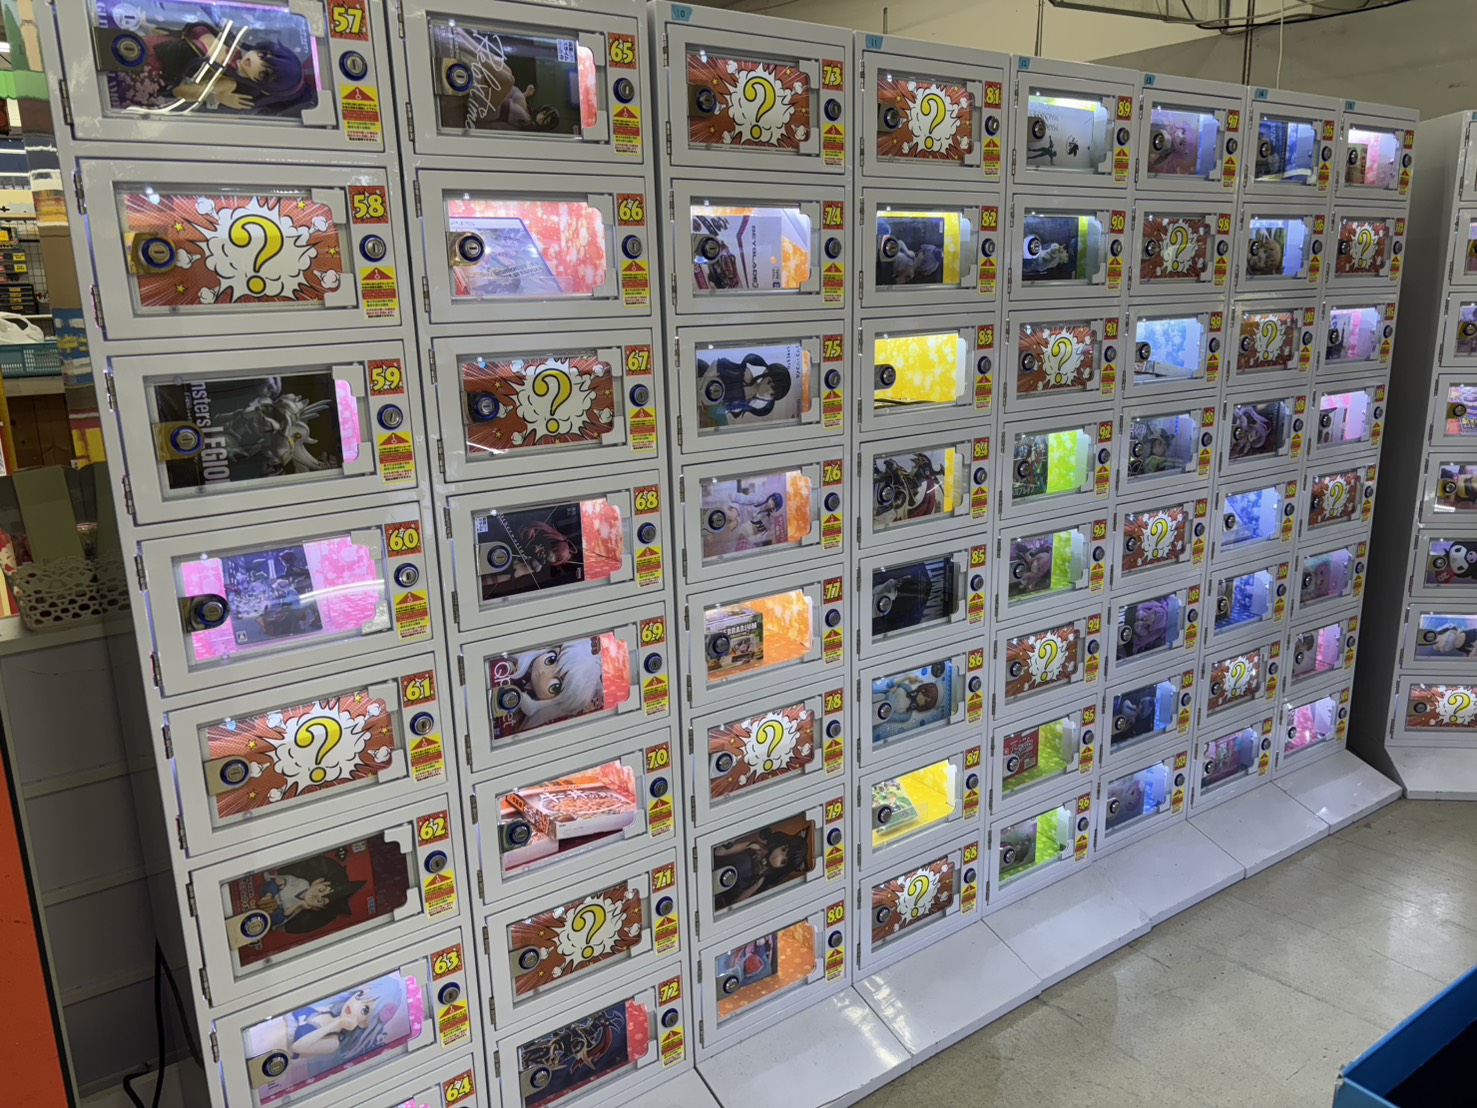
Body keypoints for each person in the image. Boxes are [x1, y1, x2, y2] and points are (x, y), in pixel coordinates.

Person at [119, 20, 311, 115]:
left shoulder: (228, 82)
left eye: (263, 73)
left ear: (264, 86)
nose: (255, 61)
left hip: (154, 69)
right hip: (156, 44)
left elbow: (180, 91)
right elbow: (195, 30)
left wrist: (216, 96)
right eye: (262, 55)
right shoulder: (233, 47)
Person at [493, 641, 605, 736]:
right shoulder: (515, 658)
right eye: (550, 660)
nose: (543, 672)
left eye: (555, 686)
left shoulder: (520, 719)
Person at [713, 827, 811, 910]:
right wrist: (727, 845)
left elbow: (737, 902)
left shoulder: (760, 879)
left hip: (718, 895)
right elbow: (720, 852)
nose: (778, 857)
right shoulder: (754, 847)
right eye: (783, 849)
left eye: (783, 861)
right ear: (780, 843)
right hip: (714, 869)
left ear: (783, 868)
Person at [698, 354, 794, 423]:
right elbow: (717, 364)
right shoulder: (746, 375)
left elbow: (723, 409)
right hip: (699, 376)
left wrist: (709, 410)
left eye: (772, 395)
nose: (766, 392)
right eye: (769, 383)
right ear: (765, 373)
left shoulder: (750, 402)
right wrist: (704, 382)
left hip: (703, 403)